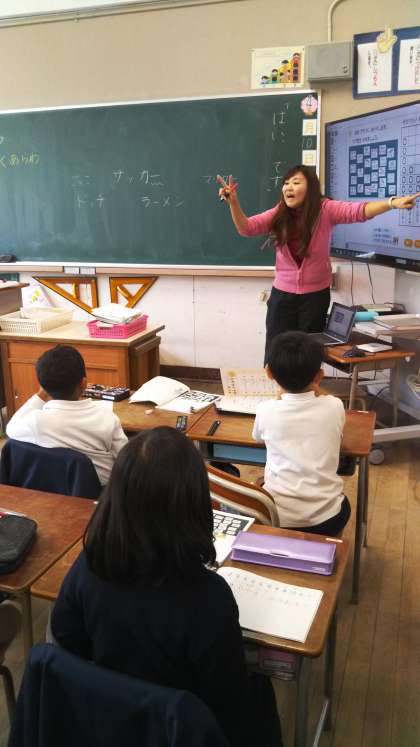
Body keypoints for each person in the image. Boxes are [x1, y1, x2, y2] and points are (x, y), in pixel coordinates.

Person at [50, 427, 282, 747]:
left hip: (105, 723)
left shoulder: (90, 565)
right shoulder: (209, 598)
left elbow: (66, 641)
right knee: (261, 690)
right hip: (180, 732)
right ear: (195, 504)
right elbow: (227, 703)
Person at [217, 166, 420, 362]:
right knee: (277, 351)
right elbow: (247, 228)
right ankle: (276, 385)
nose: (288, 187)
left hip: (314, 297)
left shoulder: (326, 209)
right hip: (282, 296)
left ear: (310, 188)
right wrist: (233, 202)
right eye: (286, 183)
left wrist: (392, 203)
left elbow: (359, 211)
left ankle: (309, 385)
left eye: (296, 182)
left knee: (309, 354)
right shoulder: (279, 212)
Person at [253, 331, 350, 535]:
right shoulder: (335, 406)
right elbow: (328, 404)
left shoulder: (266, 410)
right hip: (327, 519)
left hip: (277, 517)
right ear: (319, 376)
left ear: (269, 373)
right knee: (343, 503)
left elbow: (257, 438)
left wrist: (278, 399)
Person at [6, 344, 127, 485]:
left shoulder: (35, 422)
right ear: (84, 384)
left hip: (54, 490)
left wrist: (41, 394)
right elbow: (126, 459)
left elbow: (11, 428)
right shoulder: (106, 417)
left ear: (43, 386)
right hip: (99, 493)